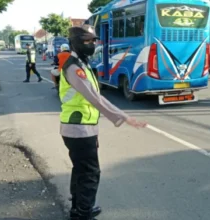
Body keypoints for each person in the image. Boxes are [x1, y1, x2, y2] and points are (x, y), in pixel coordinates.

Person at [60, 25, 147, 220]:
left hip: (81, 128)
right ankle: (83, 214)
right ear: (75, 43)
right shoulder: (74, 67)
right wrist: (124, 117)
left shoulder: (82, 64)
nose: (92, 44)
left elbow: (95, 95)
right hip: (79, 129)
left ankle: (79, 208)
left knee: (81, 169)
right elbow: (95, 98)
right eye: (87, 41)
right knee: (90, 173)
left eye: (93, 41)